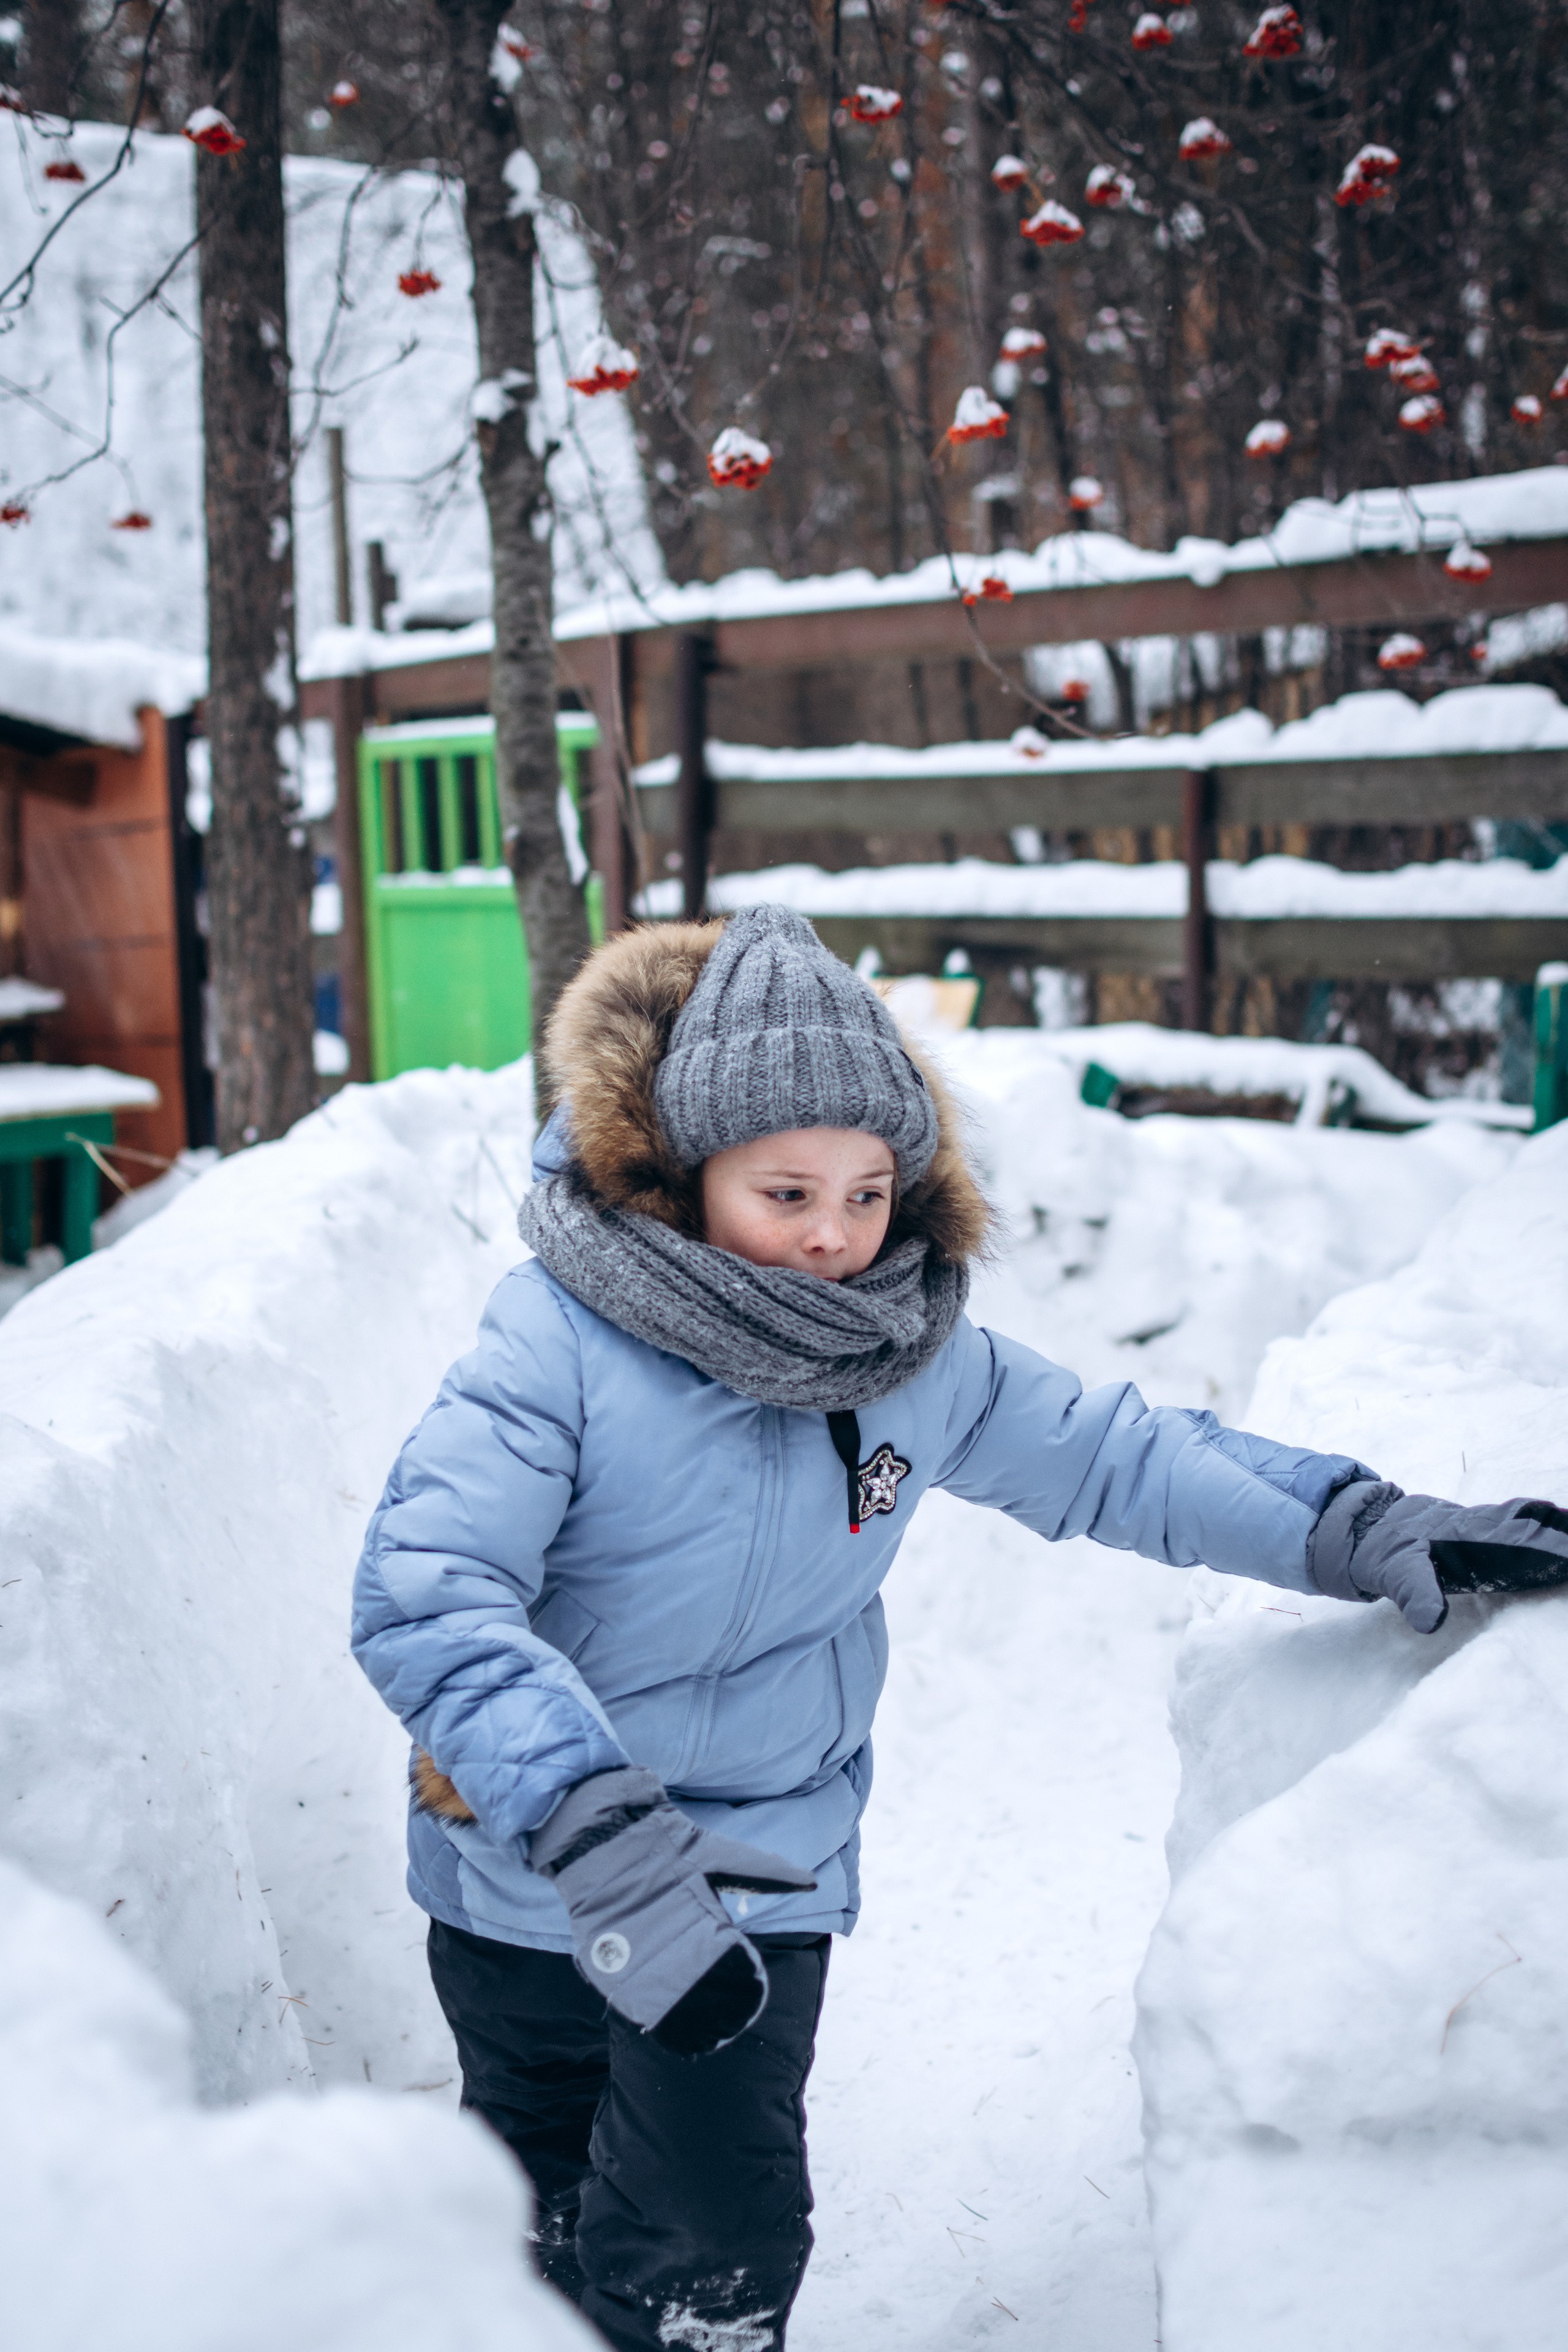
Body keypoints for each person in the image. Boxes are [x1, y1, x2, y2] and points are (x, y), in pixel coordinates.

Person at [352, 905, 1568, 2352]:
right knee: (526, 2219)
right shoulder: (557, 1340)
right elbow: (426, 1588)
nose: (832, 1238)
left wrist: (1352, 1523)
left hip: (753, 1867)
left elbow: (1121, 1459)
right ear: (682, 1174)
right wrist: (587, 1817)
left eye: (867, 1194)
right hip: (528, 1864)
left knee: (710, 2245)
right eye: (786, 1191)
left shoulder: (909, 1354)